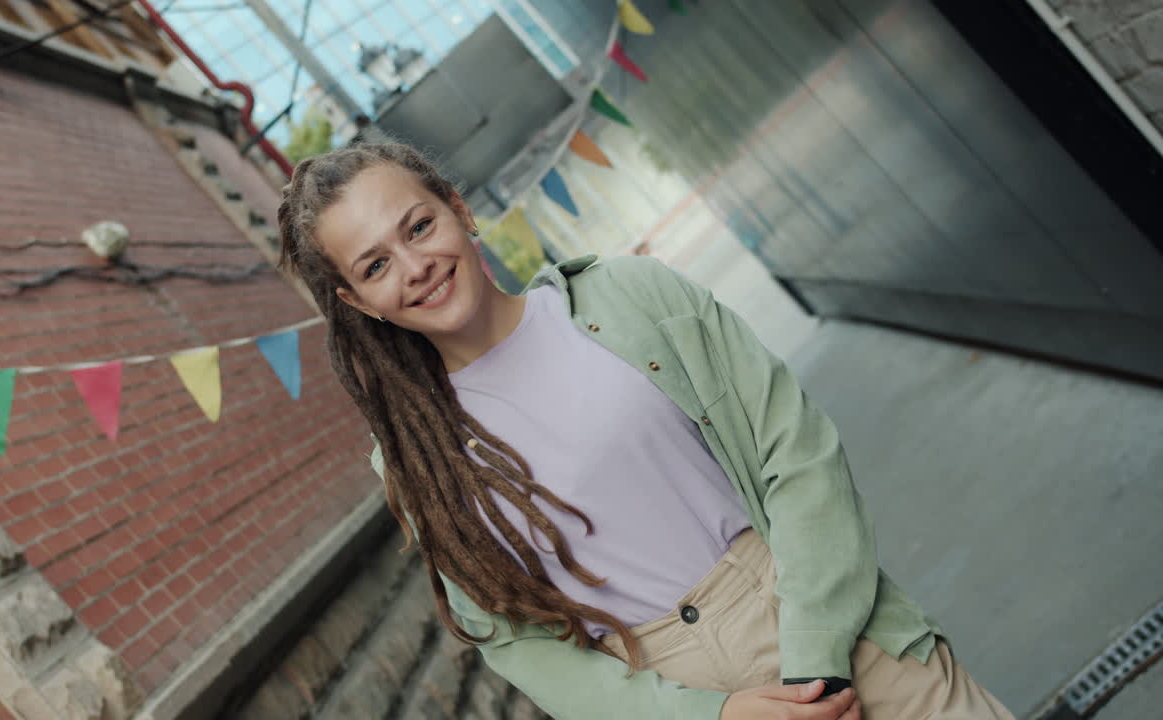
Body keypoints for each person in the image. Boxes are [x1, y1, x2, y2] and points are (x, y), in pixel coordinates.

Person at [276, 142, 1015, 720]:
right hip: (675, 693)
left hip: (830, 623)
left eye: (419, 226)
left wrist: (814, 662)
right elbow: (523, 649)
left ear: (458, 209)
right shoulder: (414, 464)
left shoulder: (630, 296)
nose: (416, 266)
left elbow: (796, 452)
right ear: (358, 301)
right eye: (377, 264)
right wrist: (715, 715)